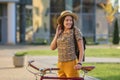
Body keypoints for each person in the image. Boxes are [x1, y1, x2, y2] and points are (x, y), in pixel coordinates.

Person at [50, 10, 84, 78]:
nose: (69, 22)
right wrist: (56, 34)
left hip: (71, 64)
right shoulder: (60, 32)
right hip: (60, 64)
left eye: (71, 20)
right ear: (62, 21)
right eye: (67, 20)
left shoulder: (75, 31)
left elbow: (81, 49)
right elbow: (52, 48)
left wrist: (79, 63)